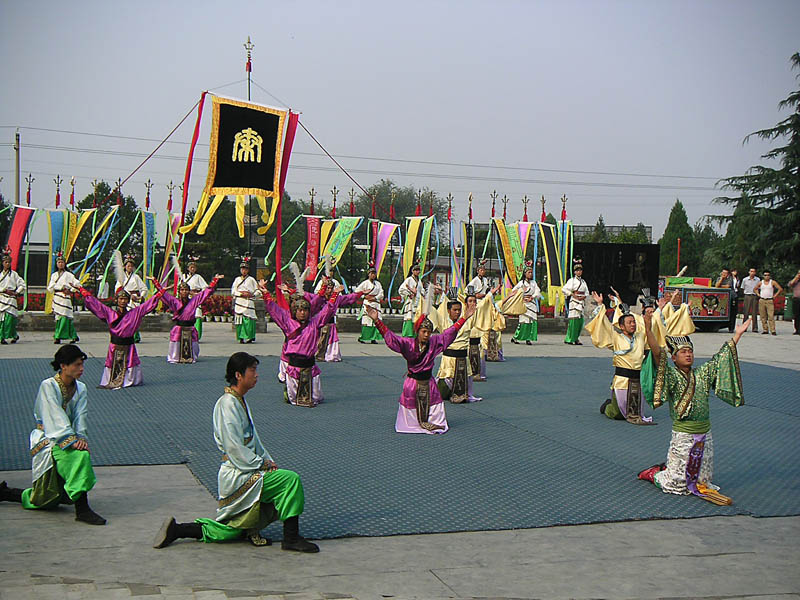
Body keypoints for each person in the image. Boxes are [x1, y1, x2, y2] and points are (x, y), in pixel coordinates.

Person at [153, 352, 318, 552]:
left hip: (245, 467)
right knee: (290, 480)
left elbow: (253, 440)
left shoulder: (237, 400)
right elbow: (234, 447)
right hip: (238, 472)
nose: (256, 375)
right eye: (252, 370)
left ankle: (179, 530)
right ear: (238, 375)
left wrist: (267, 460)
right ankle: (291, 538)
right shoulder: (228, 404)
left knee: (230, 531)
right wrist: (261, 463)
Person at [637, 315, 751, 505]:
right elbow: (658, 355)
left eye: (690, 351)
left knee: (702, 480)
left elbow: (720, 359)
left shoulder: (702, 373)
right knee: (676, 483)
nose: (688, 355)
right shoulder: (672, 375)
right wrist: (649, 329)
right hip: (684, 433)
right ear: (674, 358)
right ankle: (654, 474)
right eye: (683, 352)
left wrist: (737, 336)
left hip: (705, 432)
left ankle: (679, 473)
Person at [0, 345, 105, 525]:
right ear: (63, 366)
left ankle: (6, 493)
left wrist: (80, 438)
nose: (81, 369)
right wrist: (70, 440)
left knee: (49, 495)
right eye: (77, 365)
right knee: (75, 461)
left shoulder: (81, 388)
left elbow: (81, 415)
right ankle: (82, 509)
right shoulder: (48, 386)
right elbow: (53, 416)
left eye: (82, 365)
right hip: (49, 438)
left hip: (67, 437)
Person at [366, 302, 473, 433]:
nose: (427, 335)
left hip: (429, 382)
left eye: (429, 332)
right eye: (424, 332)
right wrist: (377, 321)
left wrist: (464, 318)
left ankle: (433, 421)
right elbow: (392, 338)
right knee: (409, 400)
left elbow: (449, 333)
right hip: (412, 383)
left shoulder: (434, 342)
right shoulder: (408, 344)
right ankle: (411, 424)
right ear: (418, 332)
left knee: (435, 399)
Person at [586, 291, 674, 425]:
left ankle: (618, 407)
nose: (633, 324)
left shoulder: (640, 336)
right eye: (629, 322)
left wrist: (657, 310)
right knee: (618, 414)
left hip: (638, 380)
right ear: (622, 326)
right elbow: (602, 324)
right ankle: (607, 407)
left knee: (636, 411)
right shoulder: (615, 337)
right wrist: (600, 304)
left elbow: (652, 328)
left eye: (634, 322)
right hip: (621, 379)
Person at [260, 283, 339, 407]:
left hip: (310, 366)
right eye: (300, 310)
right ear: (294, 311)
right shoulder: (288, 323)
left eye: (306, 310)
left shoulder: (315, 322)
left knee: (317, 398)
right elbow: (274, 310)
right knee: (293, 399)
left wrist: (335, 295)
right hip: (294, 366)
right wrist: (266, 294)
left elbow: (326, 311)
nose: (303, 313)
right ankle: (288, 389)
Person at [79, 284, 165, 389]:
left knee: (130, 362)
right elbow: (97, 305)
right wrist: (83, 292)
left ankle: (130, 380)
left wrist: (159, 294)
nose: (123, 301)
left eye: (125, 299)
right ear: (116, 300)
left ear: (128, 301)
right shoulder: (110, 313)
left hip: (128, 345)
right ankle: (111, 379)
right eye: (121, 299)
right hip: (115, 345)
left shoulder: (135, 313)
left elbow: (146, 306)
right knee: (112, 362)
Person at [431, 289, 496, 403]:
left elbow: (481, 309)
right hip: (449, 357)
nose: (457, 312)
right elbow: (431, 312)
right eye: (454, 310)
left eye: (459, 310)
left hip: (463, 356)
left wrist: (488, 295)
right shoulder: (443, 321)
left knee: (467, 377)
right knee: (443, 387)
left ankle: (468, 394)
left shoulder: (467, 320)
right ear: (448, 310)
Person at [155, 275, 224, 364]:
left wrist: (214, 281)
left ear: (189, 291)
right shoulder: (174, 301)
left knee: (194, 345)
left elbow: (205, 293)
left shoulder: (194, 300)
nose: (184, 292)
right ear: (179, 292)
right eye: (182, 290)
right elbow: (164, 295)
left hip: (190, 328)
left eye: (186, 290)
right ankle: (175, 357)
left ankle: (192, 356)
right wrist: (155, 282)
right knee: (176, 344)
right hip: (179, 328)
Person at [47, 252, 80, 344]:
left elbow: (77, 284)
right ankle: (73, 336)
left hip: (66, 299)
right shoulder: (54, 275)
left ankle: (58, 336)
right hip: (57, 298)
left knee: (65, 317)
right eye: (59, 262)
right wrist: (60, 288)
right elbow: (50, 287)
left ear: (65, 263)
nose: (60, 264)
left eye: (62, 262)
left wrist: (71, 290)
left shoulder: (69, 275)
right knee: (59, 317)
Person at [116, 255, 148, 344]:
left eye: (131, 266)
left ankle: (135, 336)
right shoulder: (121, 277)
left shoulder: (136, 277)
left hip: (134, 301)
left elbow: (144, 288)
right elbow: (118, 289)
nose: (130, 268)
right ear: (125, 267)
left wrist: (140, 297)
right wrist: (129, 295)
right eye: (128, 266)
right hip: (125, 300)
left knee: (134, 318)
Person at [511, 262, 542, 345]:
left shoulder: (533, 283)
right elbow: (513, 291)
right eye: (529, 272)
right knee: (523, 321)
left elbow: (538, 291)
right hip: (524, 304)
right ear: (525, 274)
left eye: (531, 272)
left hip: (531, 303)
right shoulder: (521, 283)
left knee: (531, 321)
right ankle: (516, 337)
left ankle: (528, 338)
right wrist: (521, 296)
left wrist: (533, 296)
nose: (530, 274)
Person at [232, 257, 260, 344]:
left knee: (248, 320)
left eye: (245, 269)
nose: (244, 271)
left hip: (248, 302)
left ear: (248, 270)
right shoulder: (237, 280)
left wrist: (252, 295)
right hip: (240, 302)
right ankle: (240, 337)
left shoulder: (251, 280)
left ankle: (249, 337)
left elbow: (258, 291)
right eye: (242, 269)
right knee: (239, 320)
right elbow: (233, 291)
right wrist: (241, 294)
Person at [0, 246, 25, 344]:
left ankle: (13, 335)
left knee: (9, 320)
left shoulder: (14, 275)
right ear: (2, 263)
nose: (7, 264)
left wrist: (16, 292)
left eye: (9, 262)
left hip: (11, 300)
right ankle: (2, 337)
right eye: (5, 262)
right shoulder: (0, 275)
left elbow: (22, 284)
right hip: (1, 299)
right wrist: (3, 290)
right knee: (2, 320)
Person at [354, 266, 384, 343]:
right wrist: (364, 296)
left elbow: (381, 293)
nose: (373, 275)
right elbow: (357, 292)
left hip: (376, 303)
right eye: (371, 273)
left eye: (374, 273)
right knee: (367, 321)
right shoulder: (365, 283)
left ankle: (373, 338)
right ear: (368, 274)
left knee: (376, 321)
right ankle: (364, 337)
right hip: (368, 303)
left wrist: (375, 298)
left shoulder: (378, 284)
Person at [182, 257, 209, 340]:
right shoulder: (183, 276)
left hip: (196, 298)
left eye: (194, 267)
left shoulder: (198, 277)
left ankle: (196, 335)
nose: (192, 269)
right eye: (191, 267)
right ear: (188, 268)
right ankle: (187, 334)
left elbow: (206, 287)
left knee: (197, 316)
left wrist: (198, 294)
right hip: (187, 298)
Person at [562, 262, 589, 345]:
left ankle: (576, 338)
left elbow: (587, 292)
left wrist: (584, 296)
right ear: (574, 272)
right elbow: (564, 289)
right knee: (573, 321)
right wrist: (572, 294)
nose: (579, 272)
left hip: (581, 302)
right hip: (574, 302)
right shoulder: (572, 281)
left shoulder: (583, 282)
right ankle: (570, 338)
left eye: (580, 270)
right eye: (577, 271)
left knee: (580, 321)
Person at [754, 271, 783, 336]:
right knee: (763, 316)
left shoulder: (772, 282)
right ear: (763, 276)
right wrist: (758, 294)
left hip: (769, 300)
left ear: (770, 276)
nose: (766, 276)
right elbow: (755, 289)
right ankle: (765, 329)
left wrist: (775, 296)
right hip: (762, 300)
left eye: (768, 275)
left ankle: (773, 330)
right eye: (765, 275)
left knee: (771, 316)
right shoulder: (761, 282)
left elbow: (780, 289)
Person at [398, 264, 422, 337]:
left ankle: (415, 335)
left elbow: (422, 291)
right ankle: (407, 335)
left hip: (418, 302)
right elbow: (401, 289)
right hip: (411, 302)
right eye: (416, 270)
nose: (418, 272)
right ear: (412, 271)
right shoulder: (408, 280)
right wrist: (409, 294)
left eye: (419, 270)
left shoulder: (419, 281)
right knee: (409, 318)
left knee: (416, 318)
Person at [788, 269, 800, 335]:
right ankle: (797, 330)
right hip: (796, 299)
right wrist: (796, 277)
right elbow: (790, 284)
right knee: (796, 315)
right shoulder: (795, 281)